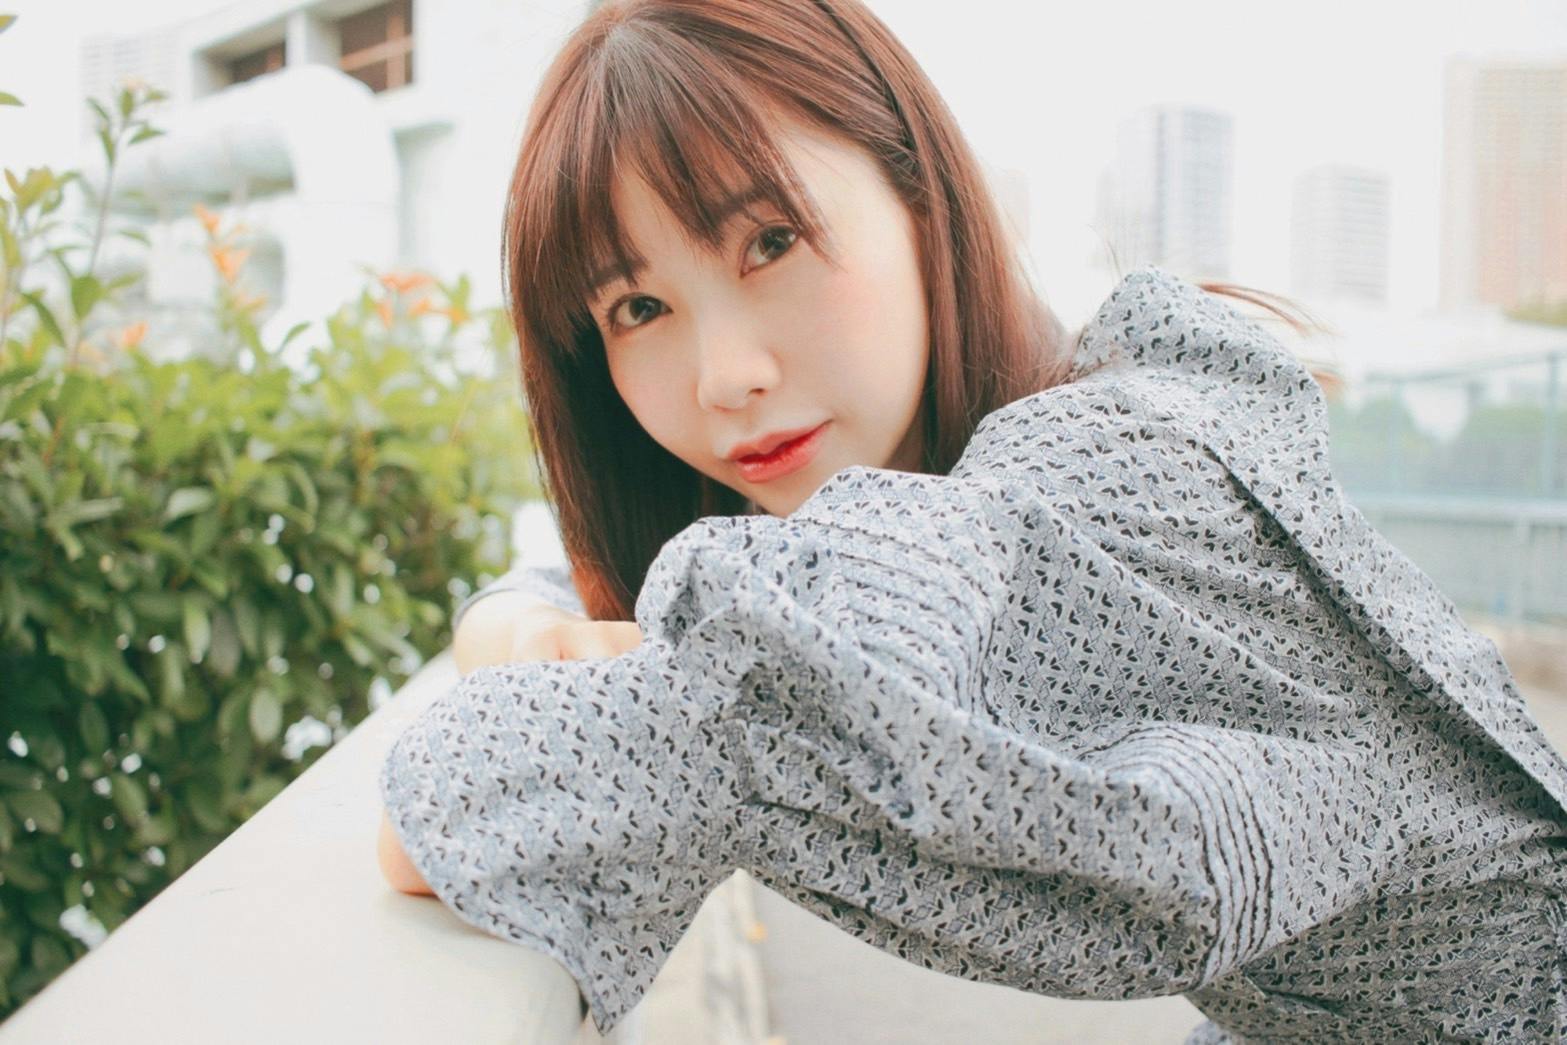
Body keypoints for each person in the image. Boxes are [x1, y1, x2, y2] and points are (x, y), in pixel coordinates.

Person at [377, 0, 1567, 1040]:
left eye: (770, 242)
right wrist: (524, 620)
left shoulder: (1084, 476)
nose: (724, 374)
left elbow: (455, 808)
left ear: (918, 194)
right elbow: (592, 619)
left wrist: (524, 652)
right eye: (638, 309)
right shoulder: (1102, 409)